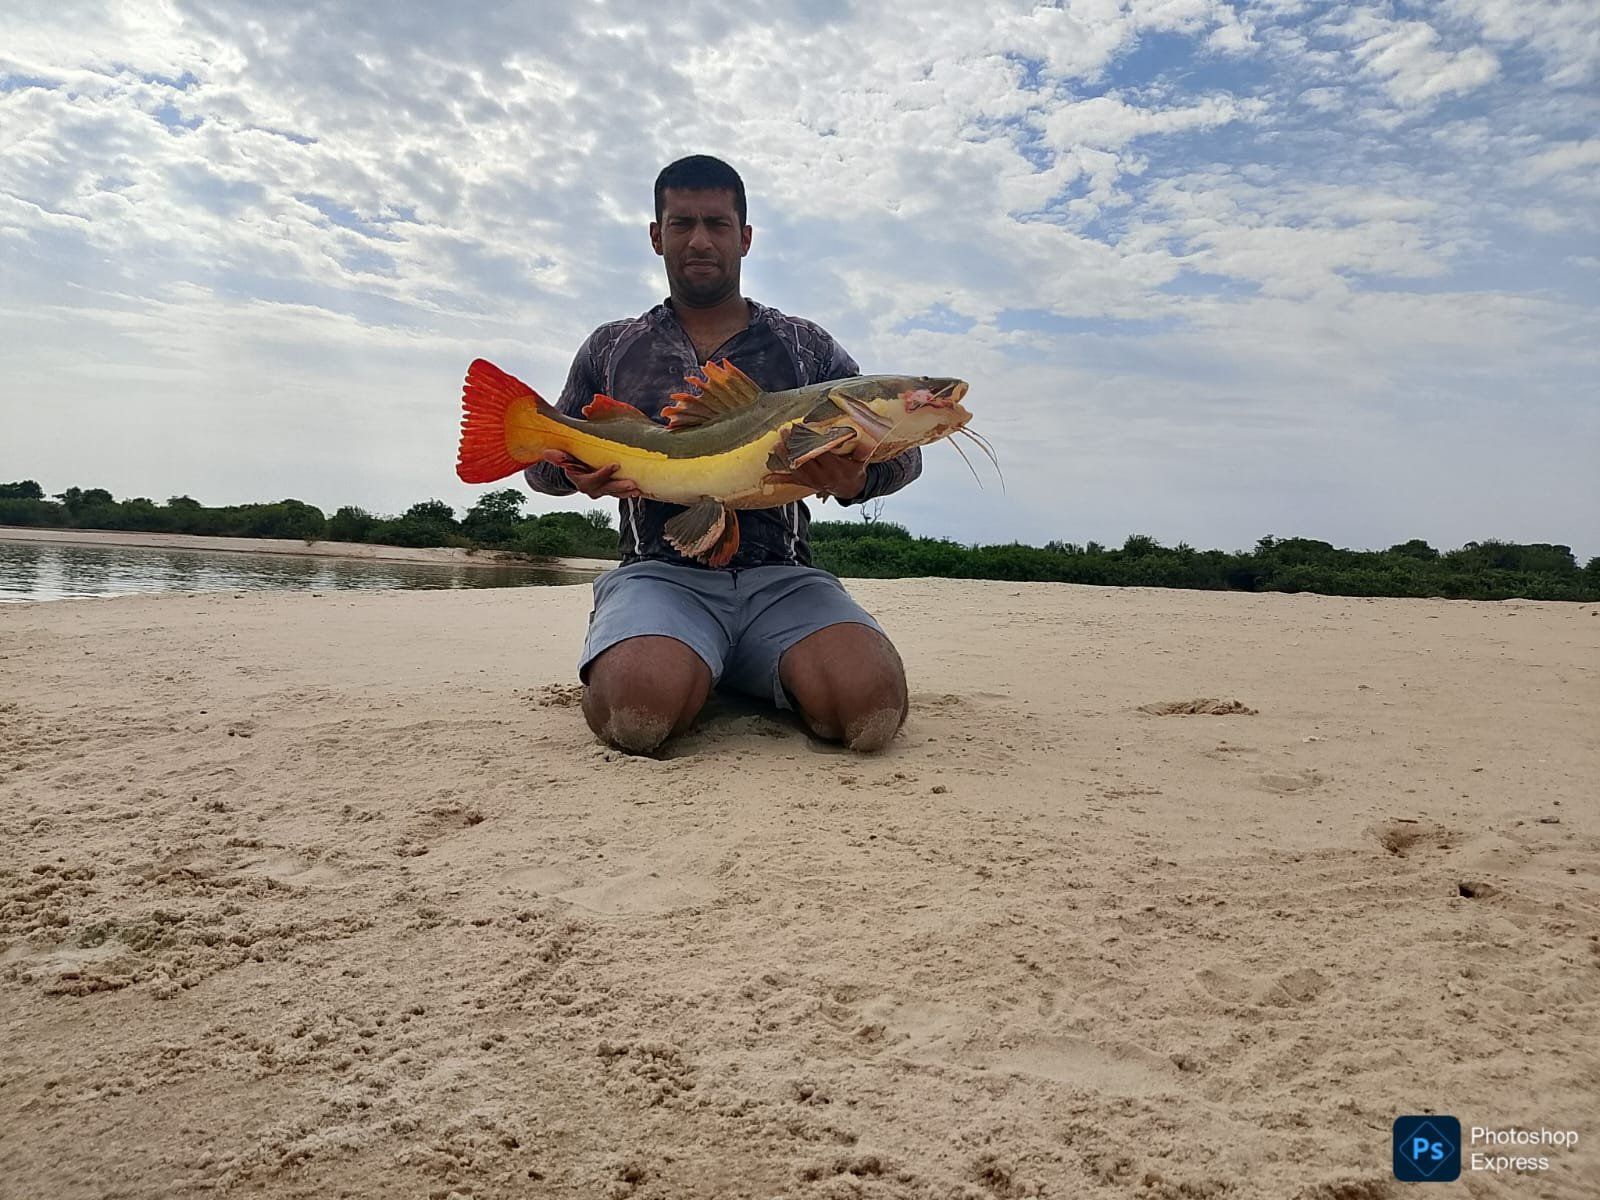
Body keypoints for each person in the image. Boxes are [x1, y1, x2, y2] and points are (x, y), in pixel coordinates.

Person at [525, 155, 923, 755]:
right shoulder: (611, 346)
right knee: (637, 712)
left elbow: (906, 460)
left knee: (870, 708)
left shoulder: (805, 346)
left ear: (745, 237)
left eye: (717, 223)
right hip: (658, 575)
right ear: (656, 236)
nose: (700, 240)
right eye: (681, 223)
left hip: (784, 579)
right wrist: (575, 474)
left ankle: (729, 664)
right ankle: (674, 652)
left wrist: (855, 480)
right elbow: (537, 470)